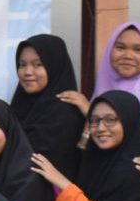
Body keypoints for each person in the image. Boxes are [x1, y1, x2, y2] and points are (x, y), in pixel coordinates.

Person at [10, 34, 86, 180]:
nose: (27, 72)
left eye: (38, 64)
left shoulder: (63, 112)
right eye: (22, 64)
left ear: (54, 66)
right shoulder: (21, 104)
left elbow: (29, 160)